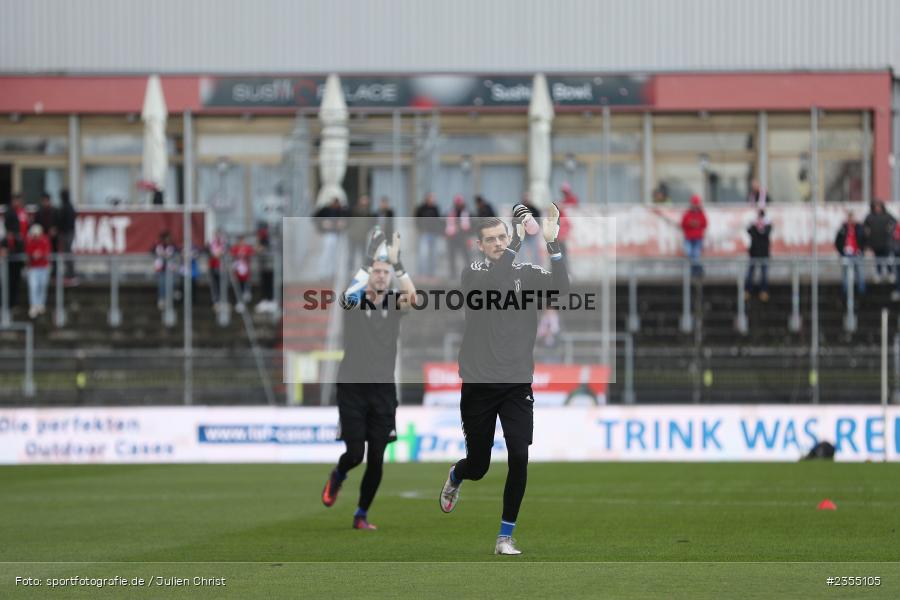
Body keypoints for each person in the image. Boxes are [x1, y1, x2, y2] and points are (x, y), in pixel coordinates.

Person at [439, 204, 569, 556]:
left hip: (516, 382)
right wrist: (516, 243)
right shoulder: (474, 274)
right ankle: (457, 475)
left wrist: (554, 245)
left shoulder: (527, 272)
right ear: (480, 246)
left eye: (502, 237)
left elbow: (561, 289)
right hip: (480, 383)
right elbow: (496, 283)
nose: (498, 243)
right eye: (491, 240)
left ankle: (504, 537)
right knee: (478, 465)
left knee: (519, 456)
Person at [321, 227, 417, 530]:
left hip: (383, 391)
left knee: (376, 458)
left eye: (385, 271)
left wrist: (398, 263)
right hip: (352, 388)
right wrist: (368, 257)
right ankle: (338, 474)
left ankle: (361, 514)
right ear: (368, 273)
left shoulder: (392, 304)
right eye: (376, 270)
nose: (380, 275)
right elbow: (347, 296)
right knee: (354, 453)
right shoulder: (355, 303)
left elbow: (412, 298)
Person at [314, 198, 347, 281]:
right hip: (328, 234)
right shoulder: (325, 210)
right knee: (326, 253)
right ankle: (322, 273)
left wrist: (343, 224)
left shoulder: (340, 211)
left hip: (337, 234)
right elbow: (315, 218)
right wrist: (322, 224)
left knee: (335, 255)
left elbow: (346, 221)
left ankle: (332, 273)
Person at [863, 200, 895, 283]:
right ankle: (878, 274)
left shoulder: (887, 216)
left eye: (879, 207)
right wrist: (867, 232)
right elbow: (864, 226)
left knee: (887, 259)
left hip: (885, 242)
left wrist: (890, 229)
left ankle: (890, 273)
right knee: (877, 260)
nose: (877, 208)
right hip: (875, 242)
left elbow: (894, 222)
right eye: (876, 207)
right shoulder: (870, 216)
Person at [835, 212, 866, 297]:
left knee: (860, 272)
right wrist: (842, 251)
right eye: (849, 218)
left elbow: (864, 240)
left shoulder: (859, 228)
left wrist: (861, 250)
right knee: (845, 273)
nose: (851, 220)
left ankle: (861, 291)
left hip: (857, 253)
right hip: (846, 254)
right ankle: (845, 291)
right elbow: (837, 241)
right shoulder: (843, 228)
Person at [745, 209, 773, 301]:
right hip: (754, 253)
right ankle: (748, 290)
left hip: (764, 253)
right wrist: (755, 225)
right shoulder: (754, 226)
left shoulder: (767, 226)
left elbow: (767, 232)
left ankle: (764, 291)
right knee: (750, 273)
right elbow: (748, 231)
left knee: (764, 274)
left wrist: (760, 227)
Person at [25, 224, 51, 318]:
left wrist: (40, 254)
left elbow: (47, 252)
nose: (35, 236)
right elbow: (28, 253)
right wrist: (34, 255)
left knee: (42, 286)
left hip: (43, 267)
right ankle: (33, 305)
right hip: (33, 268)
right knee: (33, 287)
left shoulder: (44, 240)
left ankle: (40, 304)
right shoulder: (30, 241)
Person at [414, 192, 442, 278]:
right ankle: (421, 273)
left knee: (433, 255)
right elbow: (416, 220)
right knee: (423, 254)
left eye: (433, 197)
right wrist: (420, 229)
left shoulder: (435, 208)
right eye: (431, 197)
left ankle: (431, 273)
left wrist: (438, 230)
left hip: (433, 234)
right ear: (426, 198)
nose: (432, 199)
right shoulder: (421, 208)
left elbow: (438, 220)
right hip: (424, 234)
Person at [445, 194, 472, 278]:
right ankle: (453, 274)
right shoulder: (451, 212)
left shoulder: (466, 213)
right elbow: (448, 225)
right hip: (452, 237)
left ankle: (469, 272)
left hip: (462, 237)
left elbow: (468, 226)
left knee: (466, 255)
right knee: (452, 256)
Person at [681, 195, 708, 278]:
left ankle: (696, 271)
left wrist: (697, 223)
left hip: (698, 238)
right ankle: (698, 270)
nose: (695, 206)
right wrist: (690, 223)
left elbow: (705, 224)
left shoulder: (701, 213)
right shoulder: (688, 213)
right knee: (689, 253)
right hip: (688, 238)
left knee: (696, 254)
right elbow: (683, 224)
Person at [346, 195, 374, 273]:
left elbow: (371, 224)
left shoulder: (368, 212)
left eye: (366, 200)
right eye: (363, 200)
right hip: (353, 236)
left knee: (363, 255)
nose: (365, 202)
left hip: (362, 237)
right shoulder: (354, 210)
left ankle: (363, 271)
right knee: (351, 255)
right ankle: (349, 271)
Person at [151, 231, 178, 310]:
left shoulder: (172, 246)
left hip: (170, 269)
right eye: (167, 238)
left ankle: (170, 297)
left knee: (171, 283)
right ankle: (162, 299)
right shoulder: (159, 246)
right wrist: (160, 254)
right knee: (162, 284)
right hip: (161, 268)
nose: (168, 240)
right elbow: (152, 251)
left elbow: (177, 251)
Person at [230, 235, 256, 311]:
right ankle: (239, 302)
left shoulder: (247, 248)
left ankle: (245, 297)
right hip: (237, 272)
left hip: (246, 271)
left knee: (246, 285)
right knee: (239, 286)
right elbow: (231, 255)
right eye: (240, 241)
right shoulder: (235, 248)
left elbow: (252, 253)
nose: (241, 242)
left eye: (243, 241)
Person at [1, 229, 24, 310]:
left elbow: (19, 253)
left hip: (15, 269)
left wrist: (9, 252)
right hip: (5, 269)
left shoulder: (18, 242)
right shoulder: (3, 241)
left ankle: (12, 304)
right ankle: (4, 304)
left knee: (14, 286)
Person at [58, 189, 78, 284]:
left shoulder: (66, 207)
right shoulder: (69, 207)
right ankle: (69, 274)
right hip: (68, 232)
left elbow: (65, 221)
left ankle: (70, 274)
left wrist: (62, 230)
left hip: (67, 233)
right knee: (67, 254)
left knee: (67, 254)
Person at [207, 229, 229, 307]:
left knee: (222, 283)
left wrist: (219, 253)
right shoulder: (211, 243)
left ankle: (222, 299)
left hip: (222, 267)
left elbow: (224, 252)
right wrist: (216, 254)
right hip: (213, 266)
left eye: (219, 234)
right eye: (216, 234)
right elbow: (210, 253)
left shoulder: (224, 244)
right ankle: (216, 300)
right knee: (214, 284)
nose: (217, 236)